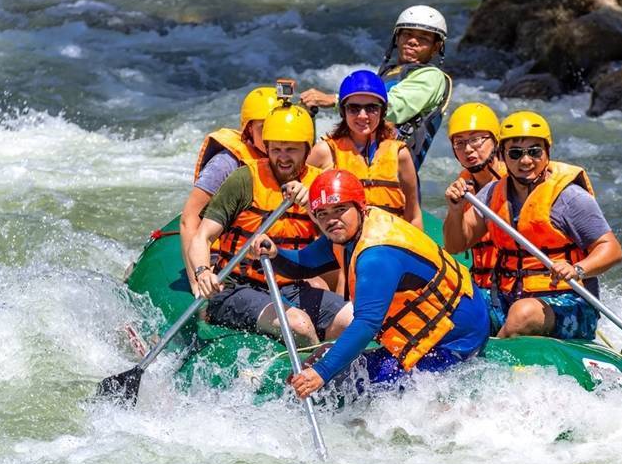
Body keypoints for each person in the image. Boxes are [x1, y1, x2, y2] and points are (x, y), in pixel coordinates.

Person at [251, 169, 490, 399]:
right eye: (322, 213)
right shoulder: (351, 229)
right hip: (438, 325)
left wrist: (320, 374)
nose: (331, 220)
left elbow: (367, 323)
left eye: (340, 209)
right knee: (326, 358)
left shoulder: (377, 255)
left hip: (454, 338)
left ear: (359, 206)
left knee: (360, 390)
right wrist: (275, 254)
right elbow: (305, 264)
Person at [449, 111, 622, 340]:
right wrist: (455, 210)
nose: (526, 160)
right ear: (503, 155)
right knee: (454, 301)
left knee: (523, 313)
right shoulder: (491, 194)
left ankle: (492, 357)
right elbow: (456, 244)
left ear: (547, 153)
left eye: (534, 151)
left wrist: (578, 269)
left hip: (568, 302)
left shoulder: (570, 198)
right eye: (515, 153)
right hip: (505, 297)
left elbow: (612, 249)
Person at [188, 104, 352, 346]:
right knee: (299, 325)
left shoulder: (318, 184)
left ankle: (328, 365)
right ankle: (311, 372)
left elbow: (341, 240)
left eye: (291, 150)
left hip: (291, 286)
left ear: (307, 150)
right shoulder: (244, 180)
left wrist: (310, 206)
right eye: (276, 149)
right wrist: (202, 272)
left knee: (351, 319)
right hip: (236, 288)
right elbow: (201, 237)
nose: (282, 157)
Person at [300, 5, 451, 172]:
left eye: (423, 38)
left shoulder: (432, 77)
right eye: (407, 34)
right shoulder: (390, 72)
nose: (413, 41)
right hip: (363, 166)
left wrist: (335, 100)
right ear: (397, 37)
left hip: (392, 179)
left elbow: (395, 107)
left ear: (436, 47)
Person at [181, 86, 278, 294]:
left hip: (265, 251)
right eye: (264, 129)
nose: (272, 137)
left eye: (277, 129)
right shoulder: (225, 164)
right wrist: (196, 280)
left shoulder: (287, 159)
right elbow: (189, 219)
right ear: (249, 129)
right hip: (224, 256)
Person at [306, 69, 422, 228]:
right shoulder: (324, 152)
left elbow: (414, 215)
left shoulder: (400, 154)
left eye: (371, 108)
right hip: (344, 247)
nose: (362, 115)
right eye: (353, 108)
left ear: (382, 111)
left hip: (390, 243)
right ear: (342, 111)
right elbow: (304, 207)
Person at [443, 102, 505, 288]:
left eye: (476, 139)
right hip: (482, 285)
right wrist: (456, 210)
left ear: (495, 140)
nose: (468, 149)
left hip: (518, 287)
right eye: (459, 143)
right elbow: (453, 247)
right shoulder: (464, 184)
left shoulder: (516, 182)